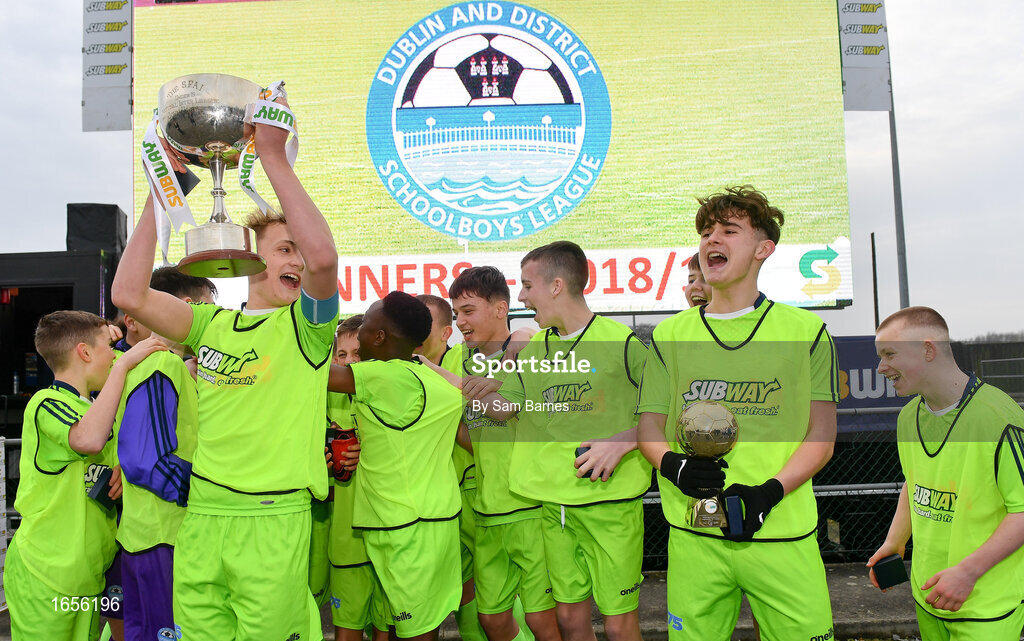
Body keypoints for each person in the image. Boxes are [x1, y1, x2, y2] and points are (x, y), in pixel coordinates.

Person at [112, 92, 339, 641]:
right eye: (283, 249)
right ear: (251, 257)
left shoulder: (307, 330)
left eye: (297, 249)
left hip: (271, 518)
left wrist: (274, 157)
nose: (297, 259)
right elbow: (128, 292)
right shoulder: (210, 324)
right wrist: (161, 192)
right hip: (203, 516)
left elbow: (326, 258)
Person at [636, 186, 839, 641]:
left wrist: (769, 492)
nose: (712, 240)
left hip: (781, 532)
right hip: (695, 536)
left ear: (763, 249)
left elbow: (821, 436)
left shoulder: (805, 331)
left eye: (729, 230)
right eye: (707, 232)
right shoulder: (670, 336)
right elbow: (649, 427)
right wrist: (674, 465)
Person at [464, 241, 650, 641]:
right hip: (554, 506)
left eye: (528, 285)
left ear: (556, 286)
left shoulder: (622, 343)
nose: (523, 296)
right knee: (567, 618)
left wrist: (623, 441)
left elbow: (667, 414)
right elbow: (505, 407)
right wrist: (460, 384)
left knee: (619, 623)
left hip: (610, 506)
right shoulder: (534, 350)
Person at [4, 311, 164, 641]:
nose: (116, 355)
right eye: (110, 346)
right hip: (46, 574)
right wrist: (123, 367)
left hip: (89, 575)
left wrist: (122, 471)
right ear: (85, 352)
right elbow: (88, 440)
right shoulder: (47, 402)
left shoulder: (96, 409)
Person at [868, 306, 1024, 640]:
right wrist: (895, 541)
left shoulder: (999, 418)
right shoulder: (908, 416)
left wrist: (967, 572)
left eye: (889, 354)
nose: (881, 367)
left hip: (985, 605)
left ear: (927, 349)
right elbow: (916, 482)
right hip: (928, 597)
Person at [327, 292, 463, 641]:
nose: (357, 335)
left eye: (365, 325)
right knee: (423, 625)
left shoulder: (382, 376)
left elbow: (319, 375)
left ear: (380, 336)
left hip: (403, 526)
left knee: (415, 630)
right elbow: (470, 404)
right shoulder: (430, 377)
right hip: (435, 520)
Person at [448, 266, 561, 641]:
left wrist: (525, 338)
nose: (461, 321)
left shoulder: (534, 349)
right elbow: (466, 432)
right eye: (456, 314)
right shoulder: (454, 362)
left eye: (468, 310)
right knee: (492, 620)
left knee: (544, 621)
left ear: (500, 308)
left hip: (531, 510)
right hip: (485, 511)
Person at [113, 265, 215, 641]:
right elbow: (145, 460)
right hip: (165, 538)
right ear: (189, 308)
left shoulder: (150, 362)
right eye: (209, 310)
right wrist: (210, 493)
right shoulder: (162, 362)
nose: (216, 323)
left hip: (147, 536)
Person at [416, 293, 487, 641]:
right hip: (433, 504)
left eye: (423, 323)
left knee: (494, 594)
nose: (413, 329)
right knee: (458, 593)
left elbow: (525, 338)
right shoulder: (399, 371)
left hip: (477, 491)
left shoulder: (466, 358)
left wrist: (525, 333)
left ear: (446, 333)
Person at [326, 314, 390, 641]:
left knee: (387, 629)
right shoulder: (324, 403)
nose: (350, 362)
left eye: (358, 354)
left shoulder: (387, 398)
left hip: (387, 535)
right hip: (346, 539)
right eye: (342, 355)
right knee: (346, 629)